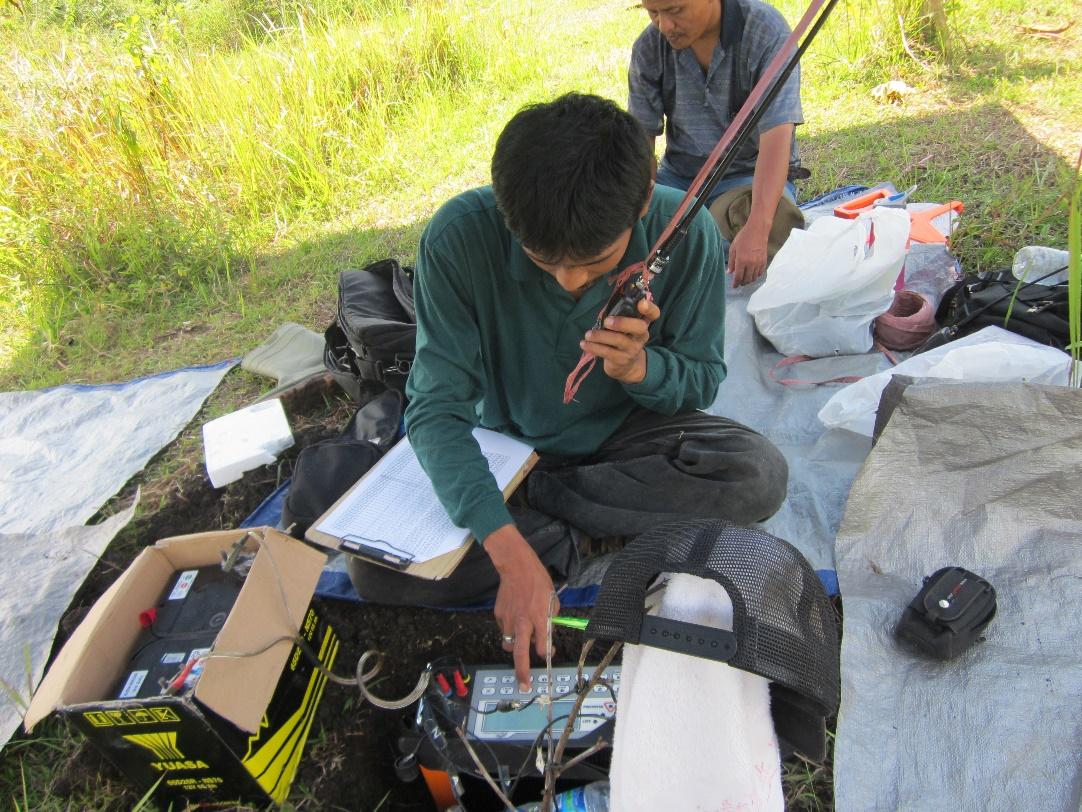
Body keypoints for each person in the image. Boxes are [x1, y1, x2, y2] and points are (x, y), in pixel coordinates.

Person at [347, 93, 787, 690]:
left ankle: (557, 537)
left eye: (595, 262)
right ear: (508, 215)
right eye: (542, 260)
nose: (571, 281)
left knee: (758, 474)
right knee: (373, 571)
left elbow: (701, 379)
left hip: (624, 435)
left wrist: (640, 369)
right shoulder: (458, 238)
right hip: (509, 446)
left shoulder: (685, 235)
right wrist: (505, 549)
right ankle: (577, 529)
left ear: (642, 196)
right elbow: (435, 410)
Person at [629, 0, 806, 287]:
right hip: (680, 181)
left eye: (675, 11)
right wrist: (639, 212)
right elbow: (640, 145)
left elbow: (776, 140)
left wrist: (758, 229)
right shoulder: (649, 47)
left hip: (747, 179)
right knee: (614, 226)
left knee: (774, 228)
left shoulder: (765, 32)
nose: (664, 26)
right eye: (652, 12)